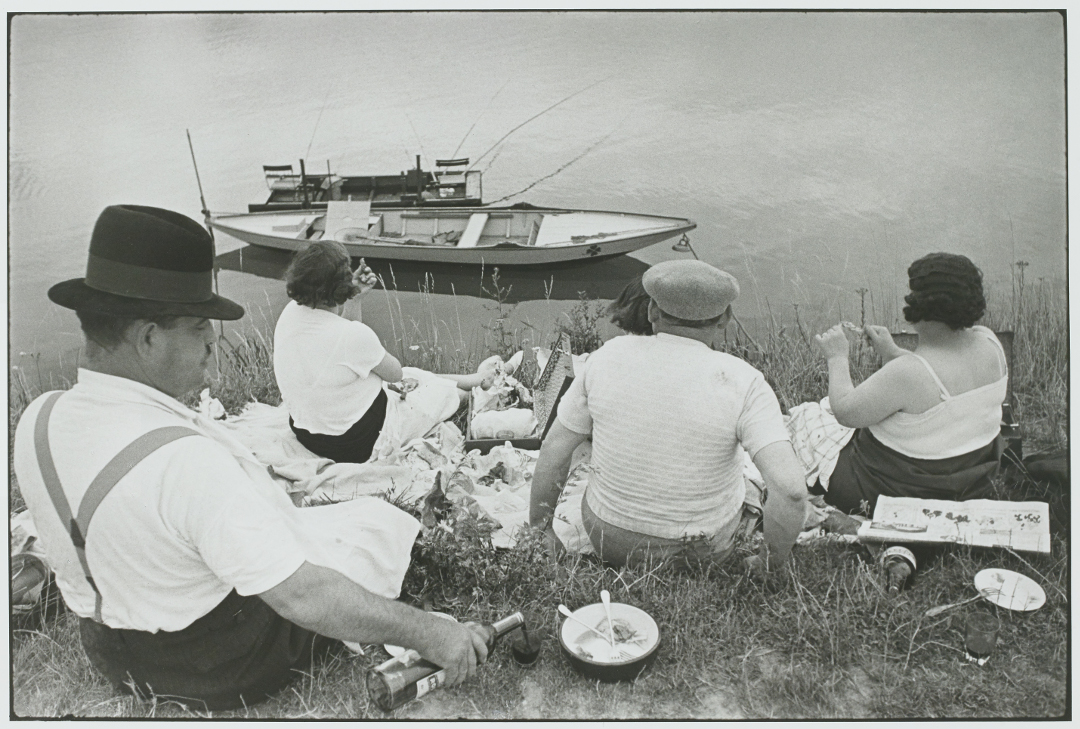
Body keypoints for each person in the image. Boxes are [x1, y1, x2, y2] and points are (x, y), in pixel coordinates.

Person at [12, 206, 489, 710]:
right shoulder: (186, 461)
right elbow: (301, 597)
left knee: (331, 528)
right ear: (149, 338)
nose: (212, 344)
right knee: (371, 528)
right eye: (200, 327)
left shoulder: (38, 419)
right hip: (213, 663)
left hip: (107, 650)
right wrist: (431, 633)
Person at [529, 259, 807, 572]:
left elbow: (554, 450)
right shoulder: (745, 381)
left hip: (608, 539)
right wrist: (771, 562)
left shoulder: (607, 356)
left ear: (652, 312)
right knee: (751, 484)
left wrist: (541, 531)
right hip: (701, 551)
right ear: (725, 318)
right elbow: (792, 491)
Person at [813, 252, 1007, 515]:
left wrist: (837, 357)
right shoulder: (989, 343)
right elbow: (937, 379)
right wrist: (891, 352)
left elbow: (845, 412)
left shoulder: (908, 373)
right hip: (970, 479)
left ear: (919, 305)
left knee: (810, 421)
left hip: (898, 488)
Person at [273, 240, 496, 464]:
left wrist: (354, 297)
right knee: (430, 390)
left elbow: (343, 344)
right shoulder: (354, 336)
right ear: (341, 285)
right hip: (356, 444)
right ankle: (477, 389)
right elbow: (395, 374)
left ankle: (477, 379)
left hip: (309, 436)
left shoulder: (290, 314)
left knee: (413, 375)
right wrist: (349, 294)